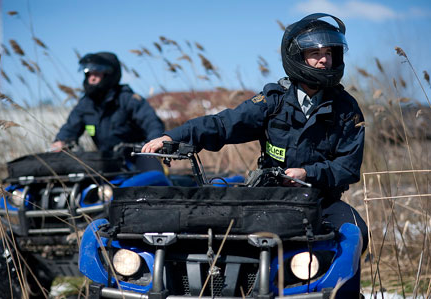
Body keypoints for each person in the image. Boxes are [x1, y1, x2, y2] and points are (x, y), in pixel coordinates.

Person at [143, 13, 367, 296]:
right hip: (270, 198)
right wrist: (173, 137)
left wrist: (307, 174)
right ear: (297, 57)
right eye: (314, 54)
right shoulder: (273, 101)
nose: (324, 60)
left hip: (321, 200)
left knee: (355, 232)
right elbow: (223, 124)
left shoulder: (347, 109)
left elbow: (347, 167)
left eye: (328, 53)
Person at [52, 51, 164, 171]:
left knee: (154, 177)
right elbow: (70, 128)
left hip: (137, 156)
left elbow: (152, 123)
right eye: (88, 73)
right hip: (105, 160)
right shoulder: (85, 104)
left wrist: (153, 144)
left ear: (110, 74)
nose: (92, 78)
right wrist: (60, 142)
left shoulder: (128, 98)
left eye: (97, 73)